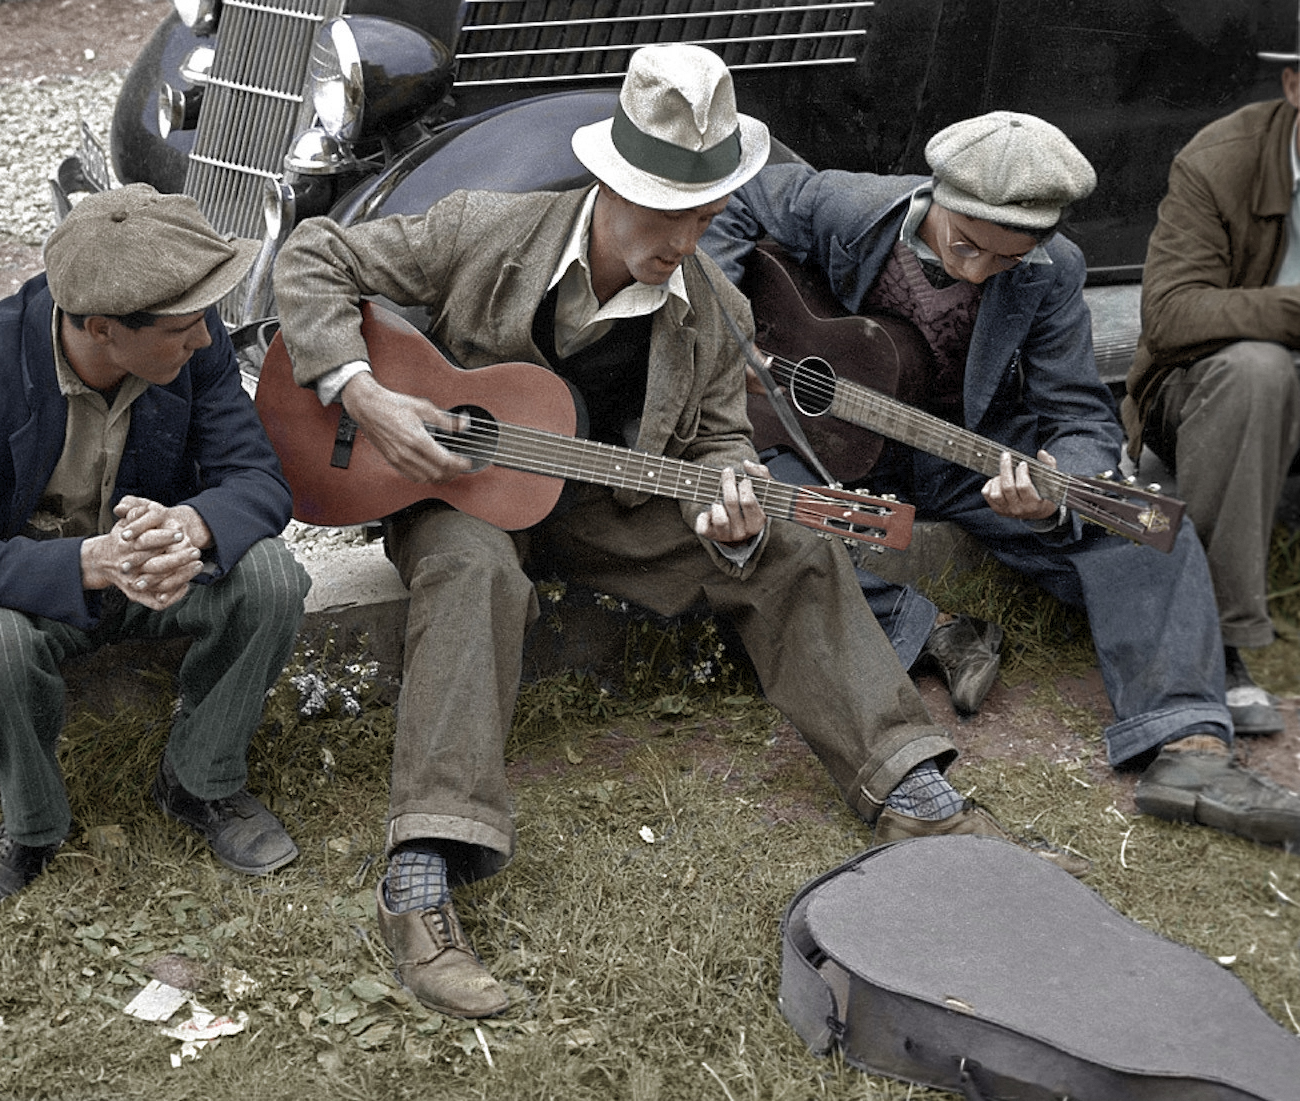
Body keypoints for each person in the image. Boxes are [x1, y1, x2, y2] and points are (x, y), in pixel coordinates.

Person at [273, 45, 1085, 1020]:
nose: (683, 236)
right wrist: (362, 391)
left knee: (794, 544)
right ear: (608, 181)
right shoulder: (485, 228)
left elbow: (716, 444)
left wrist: (727, 495)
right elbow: (311, 254)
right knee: (474, 571)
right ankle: (424, 866)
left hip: (608, 511)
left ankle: (908, 785)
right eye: (662, 209)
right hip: (460, 495)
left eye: (703, 214)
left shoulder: (715, 310)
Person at [702, 110, 1300, 851]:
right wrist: (728, 338)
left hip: (963, 450)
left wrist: (1058, 487)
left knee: (1145, 525)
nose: (978, 271)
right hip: (825, 437)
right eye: (967, 245)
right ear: (935, 196)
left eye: (1006, 260)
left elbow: (1079, 412)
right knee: (770, 513)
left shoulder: (1058, 271)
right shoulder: (847, 205)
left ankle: (1189, 748)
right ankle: (931, 630)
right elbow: (732, 199)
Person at [0, 184, 312, 913]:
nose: (207, 341)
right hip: (35, 589)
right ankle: (31, 826)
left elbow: (259, 481)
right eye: (183, 328)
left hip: (157, 572)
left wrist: (188, 528)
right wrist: (93, 561)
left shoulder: (192, 335)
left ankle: (201, 781)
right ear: (102, 328)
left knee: (273, 577)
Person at [1122, 26, 1300, 739]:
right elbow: (1168, 315)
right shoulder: (1220, 159)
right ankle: (1220, 641)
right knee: (1260, 369)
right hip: (1203, 388)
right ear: (1295, 85)